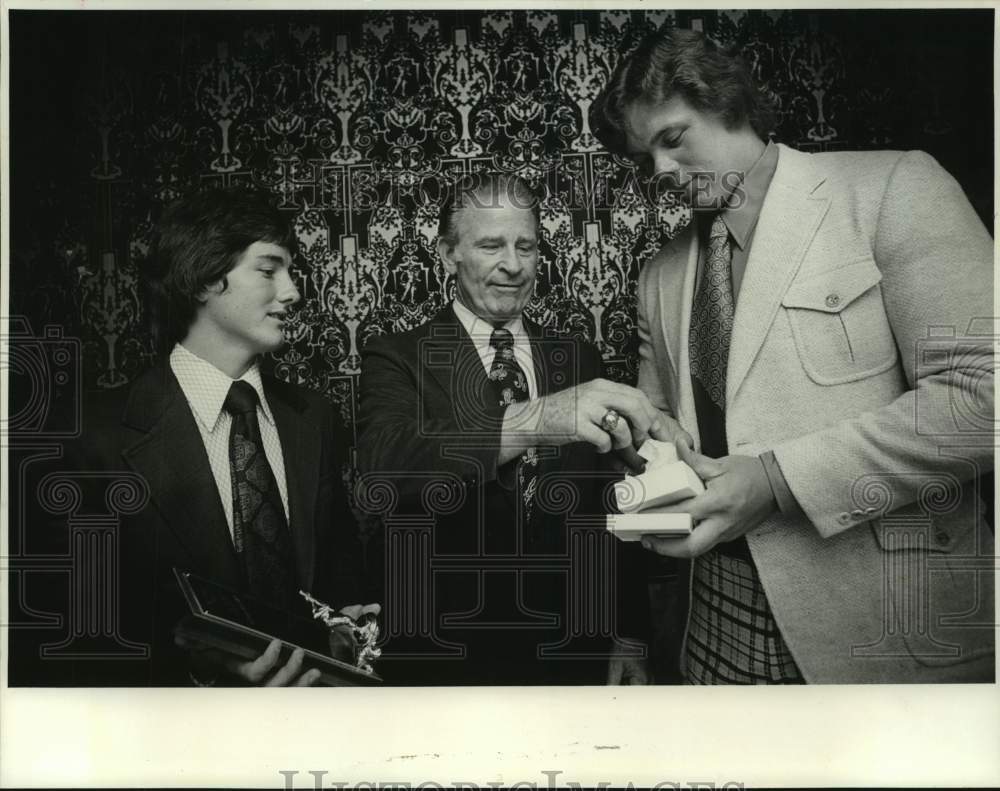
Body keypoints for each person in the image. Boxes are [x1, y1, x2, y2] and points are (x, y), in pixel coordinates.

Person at [590, 27, 995, 684]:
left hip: (885, 627)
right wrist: (642, 444)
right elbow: (661, 431)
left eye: (672, 138)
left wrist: (775, 481)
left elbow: (986, 399)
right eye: (645, 158)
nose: (659, 172)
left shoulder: (893, 187)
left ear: (727, 103)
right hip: (710, 624)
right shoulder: (658, 277)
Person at [11, 188, 373, 686]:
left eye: (290, 272)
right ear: (204, 279)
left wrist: (343, 626)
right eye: (269, 271)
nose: (292, 292)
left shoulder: (314, 419)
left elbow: (337, 565)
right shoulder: (87, 438)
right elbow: (61, 635)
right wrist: (200, 678)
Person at [357, 173, 685, 685]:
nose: (513, 265)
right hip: (447, 656)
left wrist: (629, 633)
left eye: (525, 246)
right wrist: (537, 419)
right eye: (491, 245)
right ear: (448, 254)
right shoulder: (395, 356)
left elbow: (607, 508)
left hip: (575, 652)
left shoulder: (579, 359)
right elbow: (387, 466)